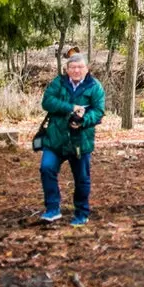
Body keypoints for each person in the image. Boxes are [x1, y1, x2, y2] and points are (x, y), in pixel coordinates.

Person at [38, 49, 105, 226]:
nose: (76, 70)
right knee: (47, 169)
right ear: (67, 69)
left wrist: (82, 120)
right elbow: (47, 102)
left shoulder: (94, 86)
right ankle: (52, 209)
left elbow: (99, 112)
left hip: (80, 142)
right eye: (73, 67)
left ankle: (81, 213)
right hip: (55, 140)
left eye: (80, 67)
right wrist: (71, 108)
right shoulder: (58, 83)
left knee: (82, 179)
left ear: (87, 68)